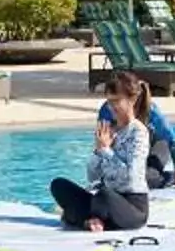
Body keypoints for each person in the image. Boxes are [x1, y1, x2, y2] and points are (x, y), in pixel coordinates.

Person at [49, 79, 153, 233]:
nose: (111, 106)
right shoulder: (109, 130)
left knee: (104, 195)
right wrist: (98, 151)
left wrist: (106, 150)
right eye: (109, 101)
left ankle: (85, 218)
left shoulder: (139, 133)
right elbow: (92, 177)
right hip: (103, 202)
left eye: (117, 101)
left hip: (132, 207)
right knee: (59, 185)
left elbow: (131, 177)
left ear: (132, 99)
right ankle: (95, 219)